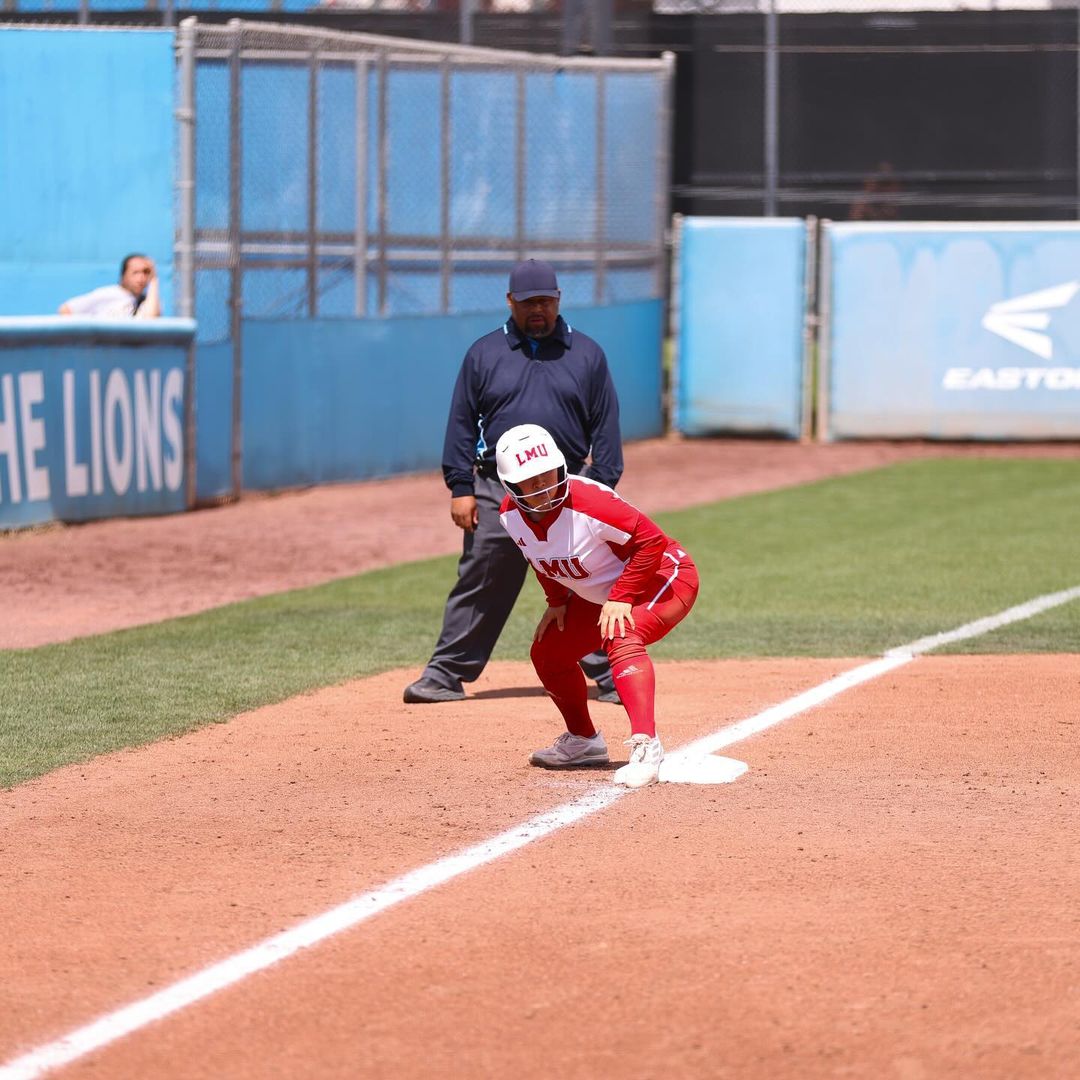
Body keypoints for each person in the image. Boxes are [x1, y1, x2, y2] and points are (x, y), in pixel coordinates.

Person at [403, 258, 624, 705]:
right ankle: (446, 674)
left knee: (587, 581)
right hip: (496, 493)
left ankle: (614, 672)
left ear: (559, 300)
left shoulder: (586, 355)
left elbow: (606, 429)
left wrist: (597, 486)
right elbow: (462, 424)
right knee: (482, 578)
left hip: (568, 491)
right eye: (528, 302)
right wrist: (460, 487)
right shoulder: (484, 354)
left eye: (545, 300)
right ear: (510, 301)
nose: (537, 310)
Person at [494, 423, 699, 788]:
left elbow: (651, 542)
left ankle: (646, 746)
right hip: (607, 590)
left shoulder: (590, 502)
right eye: (531, 481)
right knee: (549, 652)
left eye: (548, 474)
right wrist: (556, 601)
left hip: (664, 574)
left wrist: (621, 597)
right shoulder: (510, 516)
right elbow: (539, 556)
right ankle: (583, 741)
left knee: (623, 633)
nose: (543, 486)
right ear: (512, 487)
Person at [59, 254, 161, 319]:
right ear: (123, 276)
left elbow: (151, 320)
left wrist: (154, 280)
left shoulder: (148, 301)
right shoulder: (109, 293)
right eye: (135, 272)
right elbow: (66, 309)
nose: (141, 277)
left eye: (146, 272)